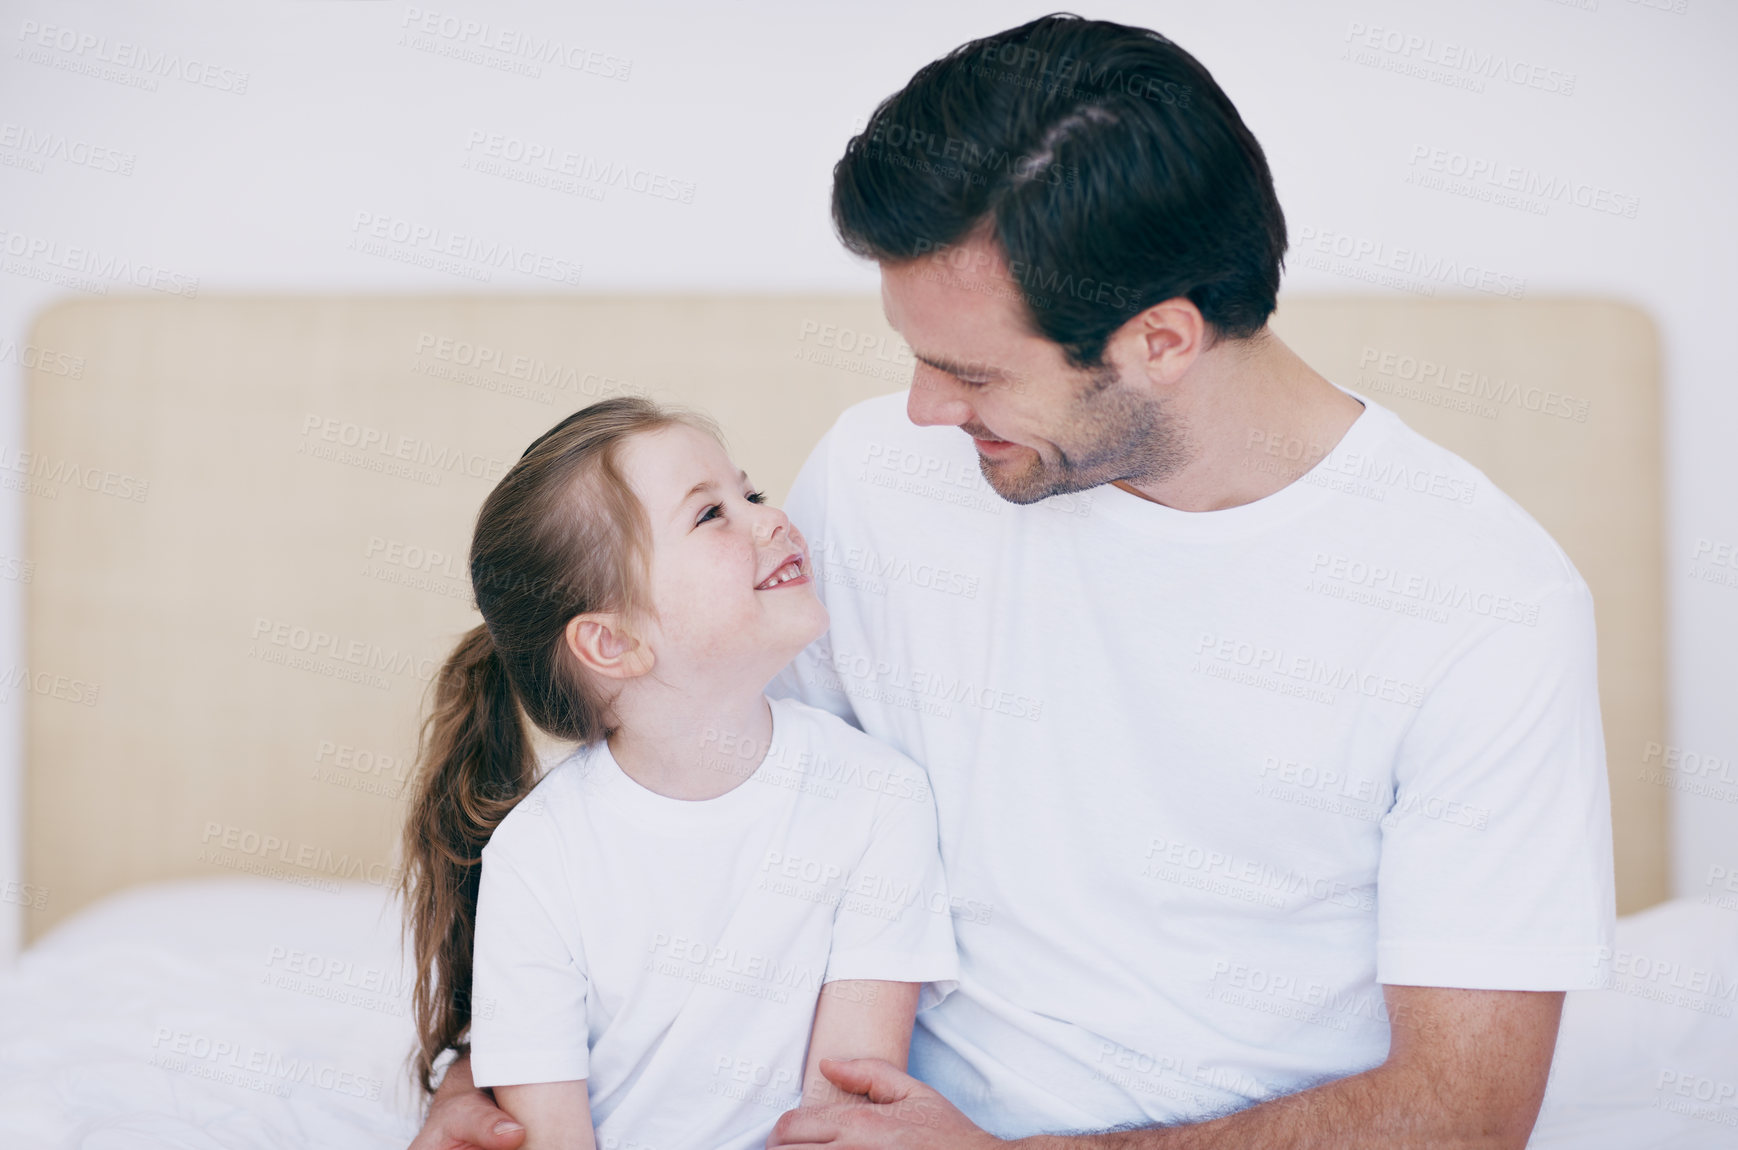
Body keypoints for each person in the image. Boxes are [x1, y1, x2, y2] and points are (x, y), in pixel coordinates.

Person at [408, 13, 1614, 1149]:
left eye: (970, 371)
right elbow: (721, 818)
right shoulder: (887, 476)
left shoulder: (1481, 604)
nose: (927, 409)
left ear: (1160, 340)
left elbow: (1461, 1111)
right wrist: (511, 1066)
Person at [397, 399, 958, 1150]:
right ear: (613, 641)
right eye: (711, 516)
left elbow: (846, 1113)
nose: (773, 518)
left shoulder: (878, 798)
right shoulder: (538, 855)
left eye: (750, 493)